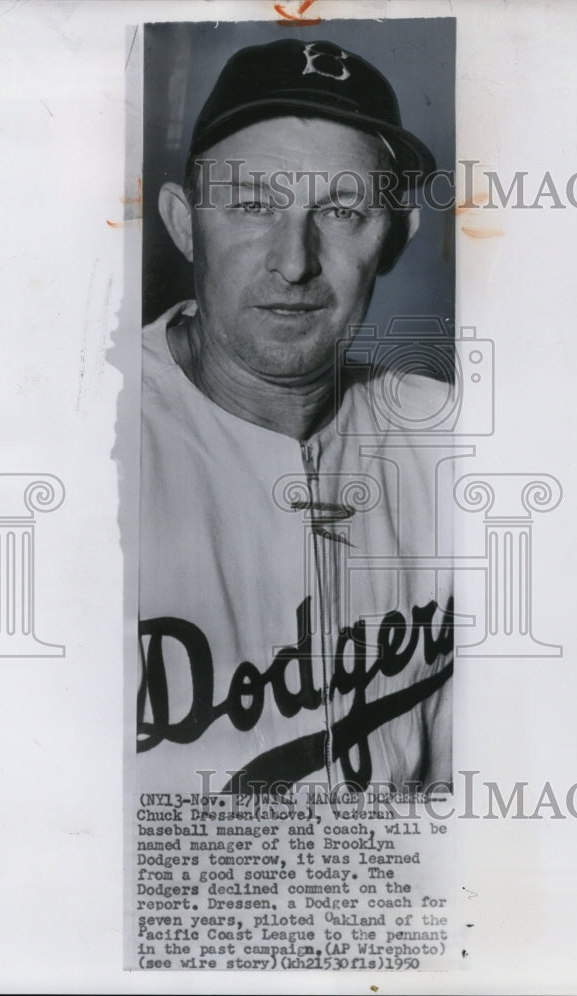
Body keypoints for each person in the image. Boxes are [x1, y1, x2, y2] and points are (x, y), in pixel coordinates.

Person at [137, 38, 454, 794]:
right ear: (185, 224)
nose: (293, 262)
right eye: (252, 206)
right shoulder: (76, 443)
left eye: (342, 211)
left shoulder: (457, 443)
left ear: (395, 239)